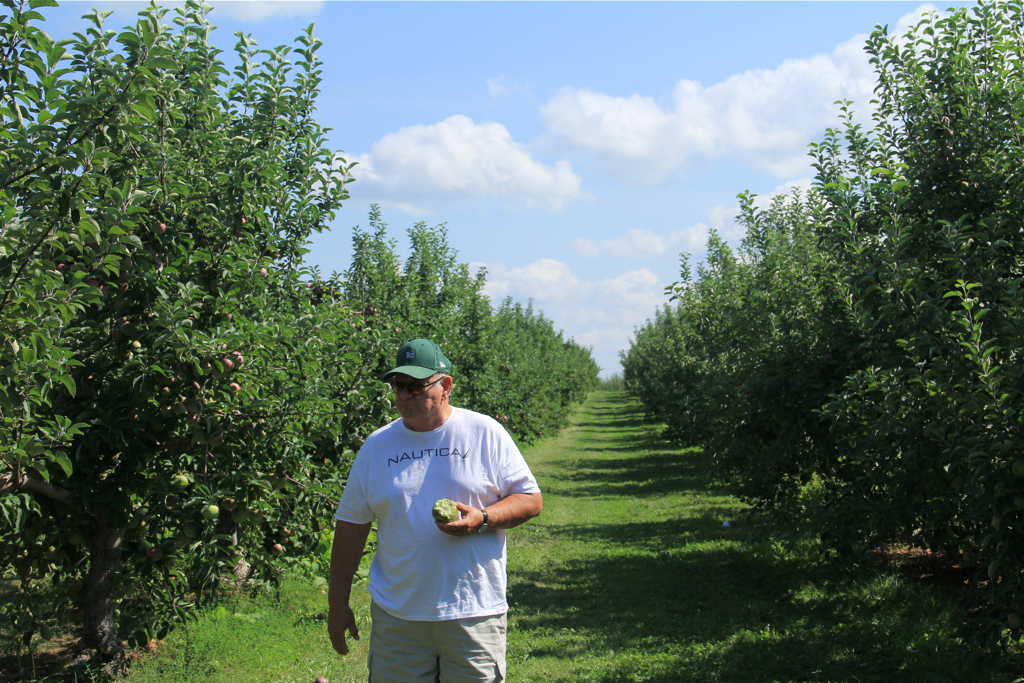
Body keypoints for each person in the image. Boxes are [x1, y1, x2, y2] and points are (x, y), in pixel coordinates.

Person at [328, 338, 543, 682]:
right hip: (399, 615)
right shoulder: (377, 446)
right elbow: (352, 526)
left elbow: (530, 499)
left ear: (446, 386)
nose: (403, 395)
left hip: (472, 610)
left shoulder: (483, 432)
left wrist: (483, 519)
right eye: (398, 386)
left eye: (415, 387)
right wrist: (337, 602)